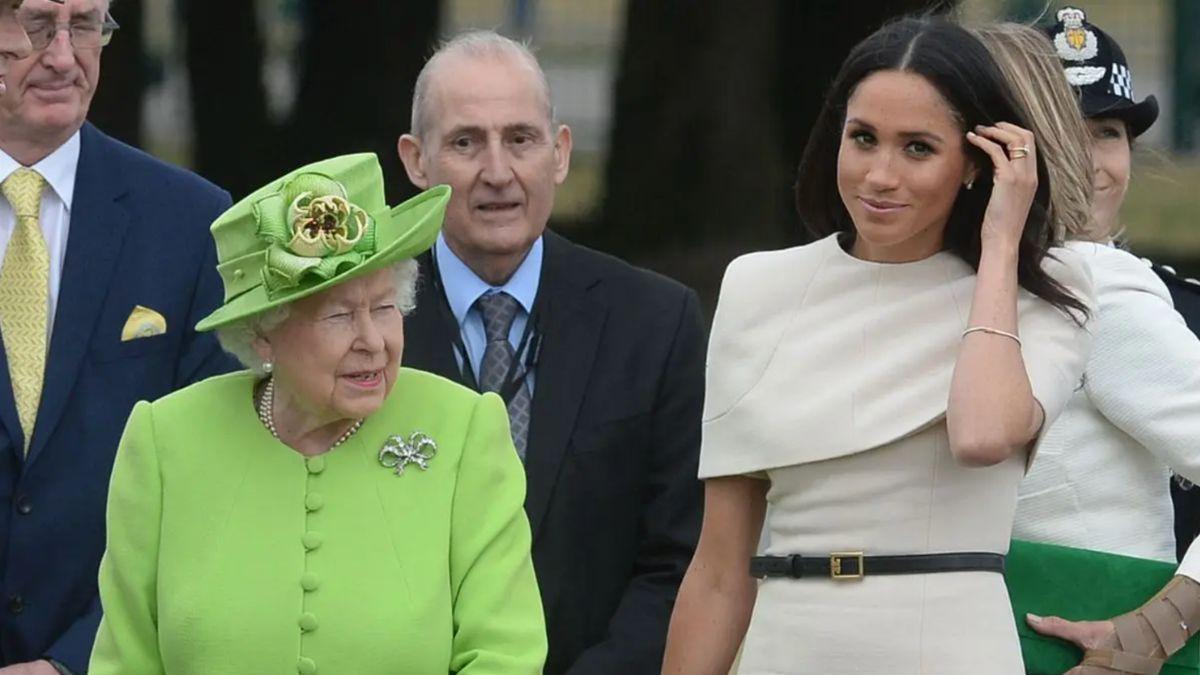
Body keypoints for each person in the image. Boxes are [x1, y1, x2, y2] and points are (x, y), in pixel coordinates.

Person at [662, 17, 1093, 674]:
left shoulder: (1044, 291)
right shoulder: (758, 288)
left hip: (946, 647)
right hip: (787, 643)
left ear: (977, 163)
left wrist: (1002, 243)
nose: (880, 176)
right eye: (863, 139)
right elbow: (719, 570)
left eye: (918, 148)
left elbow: (981, 433)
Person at [87, 153, 548, 674]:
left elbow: (506, 656)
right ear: (263, 332)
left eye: (384, 308)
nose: (372, 342)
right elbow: (125, 660)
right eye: (338, 316)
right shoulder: (166, 440)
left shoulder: (464, 431)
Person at [397, 31, 706, 674]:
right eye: (464, 142)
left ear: (559, 153)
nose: (497, 172)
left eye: (520, 138)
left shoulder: (656, 323)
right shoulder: (360, 329)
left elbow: (679, 561)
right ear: (416, 161)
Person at [0, 0, 236, 673]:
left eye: (87, 25)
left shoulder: (190, 224)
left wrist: (76, 659)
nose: (65, 57)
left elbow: (212, 482)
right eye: (39, 25)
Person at [974, 13, 1200, 673]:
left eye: (1107, 133)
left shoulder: (1098, 288)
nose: (1087, 163)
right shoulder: (963, 282)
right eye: (1056, 134)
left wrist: (1158, 625)